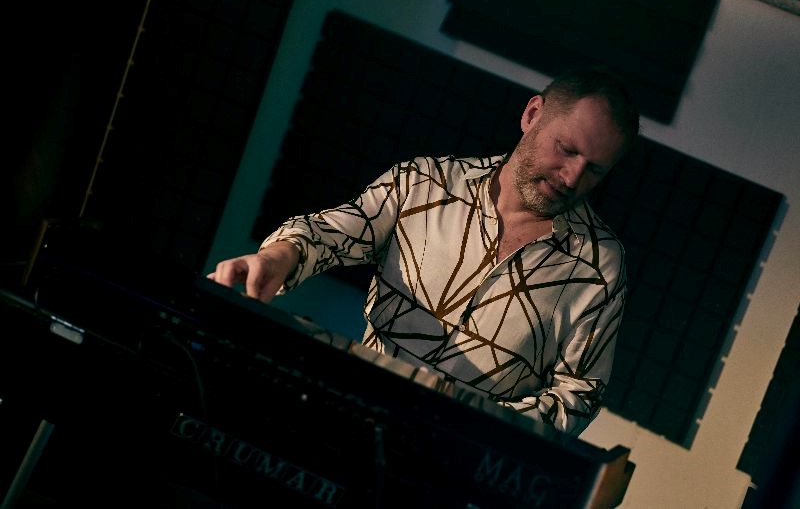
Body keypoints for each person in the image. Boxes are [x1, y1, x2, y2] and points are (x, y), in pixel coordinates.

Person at [208, 67, 639, 436]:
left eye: (595, 170)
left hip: (452, 461)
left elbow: (577, 395)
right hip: (352, 418)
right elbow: (330, 233)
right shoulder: (423, 182)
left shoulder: (600, 264)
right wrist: (276, 257)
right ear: (532, 115)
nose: (572, 177)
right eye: (567, 149)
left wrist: (473, 427)